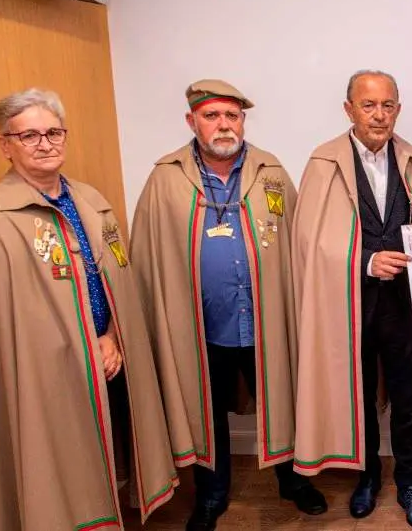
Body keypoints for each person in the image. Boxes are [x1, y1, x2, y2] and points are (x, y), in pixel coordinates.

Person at [0, 88, 177, 530]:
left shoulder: (89, 198)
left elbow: (117, 277)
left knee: (114, 446)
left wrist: (112, 338)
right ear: (4, 144)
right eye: (28, 136)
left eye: (52, 132)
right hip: (52, 367)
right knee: (66, 462)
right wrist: (83, 345)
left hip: (110, 351)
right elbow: (10, 318)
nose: (44, 144)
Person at [129, 79, 325, 531]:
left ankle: (293, 482)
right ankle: (211, 495)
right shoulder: (166, 177)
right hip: (201, 326)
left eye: (231, 116)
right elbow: (146, 256)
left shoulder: (270, 169)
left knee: (281, 399)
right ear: (191, 121)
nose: (223, 125)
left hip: (265, 320)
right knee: (206, 408)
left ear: (243, 121)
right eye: (212, 115)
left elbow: (299, 243)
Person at [291, 70, 412, 531]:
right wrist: (366, 261)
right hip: (349, 304)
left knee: (408, 397)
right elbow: (309, 242)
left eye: (388, 105)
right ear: (348, 109)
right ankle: (369, 477)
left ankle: (410, 483)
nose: (379, 115)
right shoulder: (323, 163)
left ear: (398, 108)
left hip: (408, 305)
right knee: (358, 395)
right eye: (369, 105)